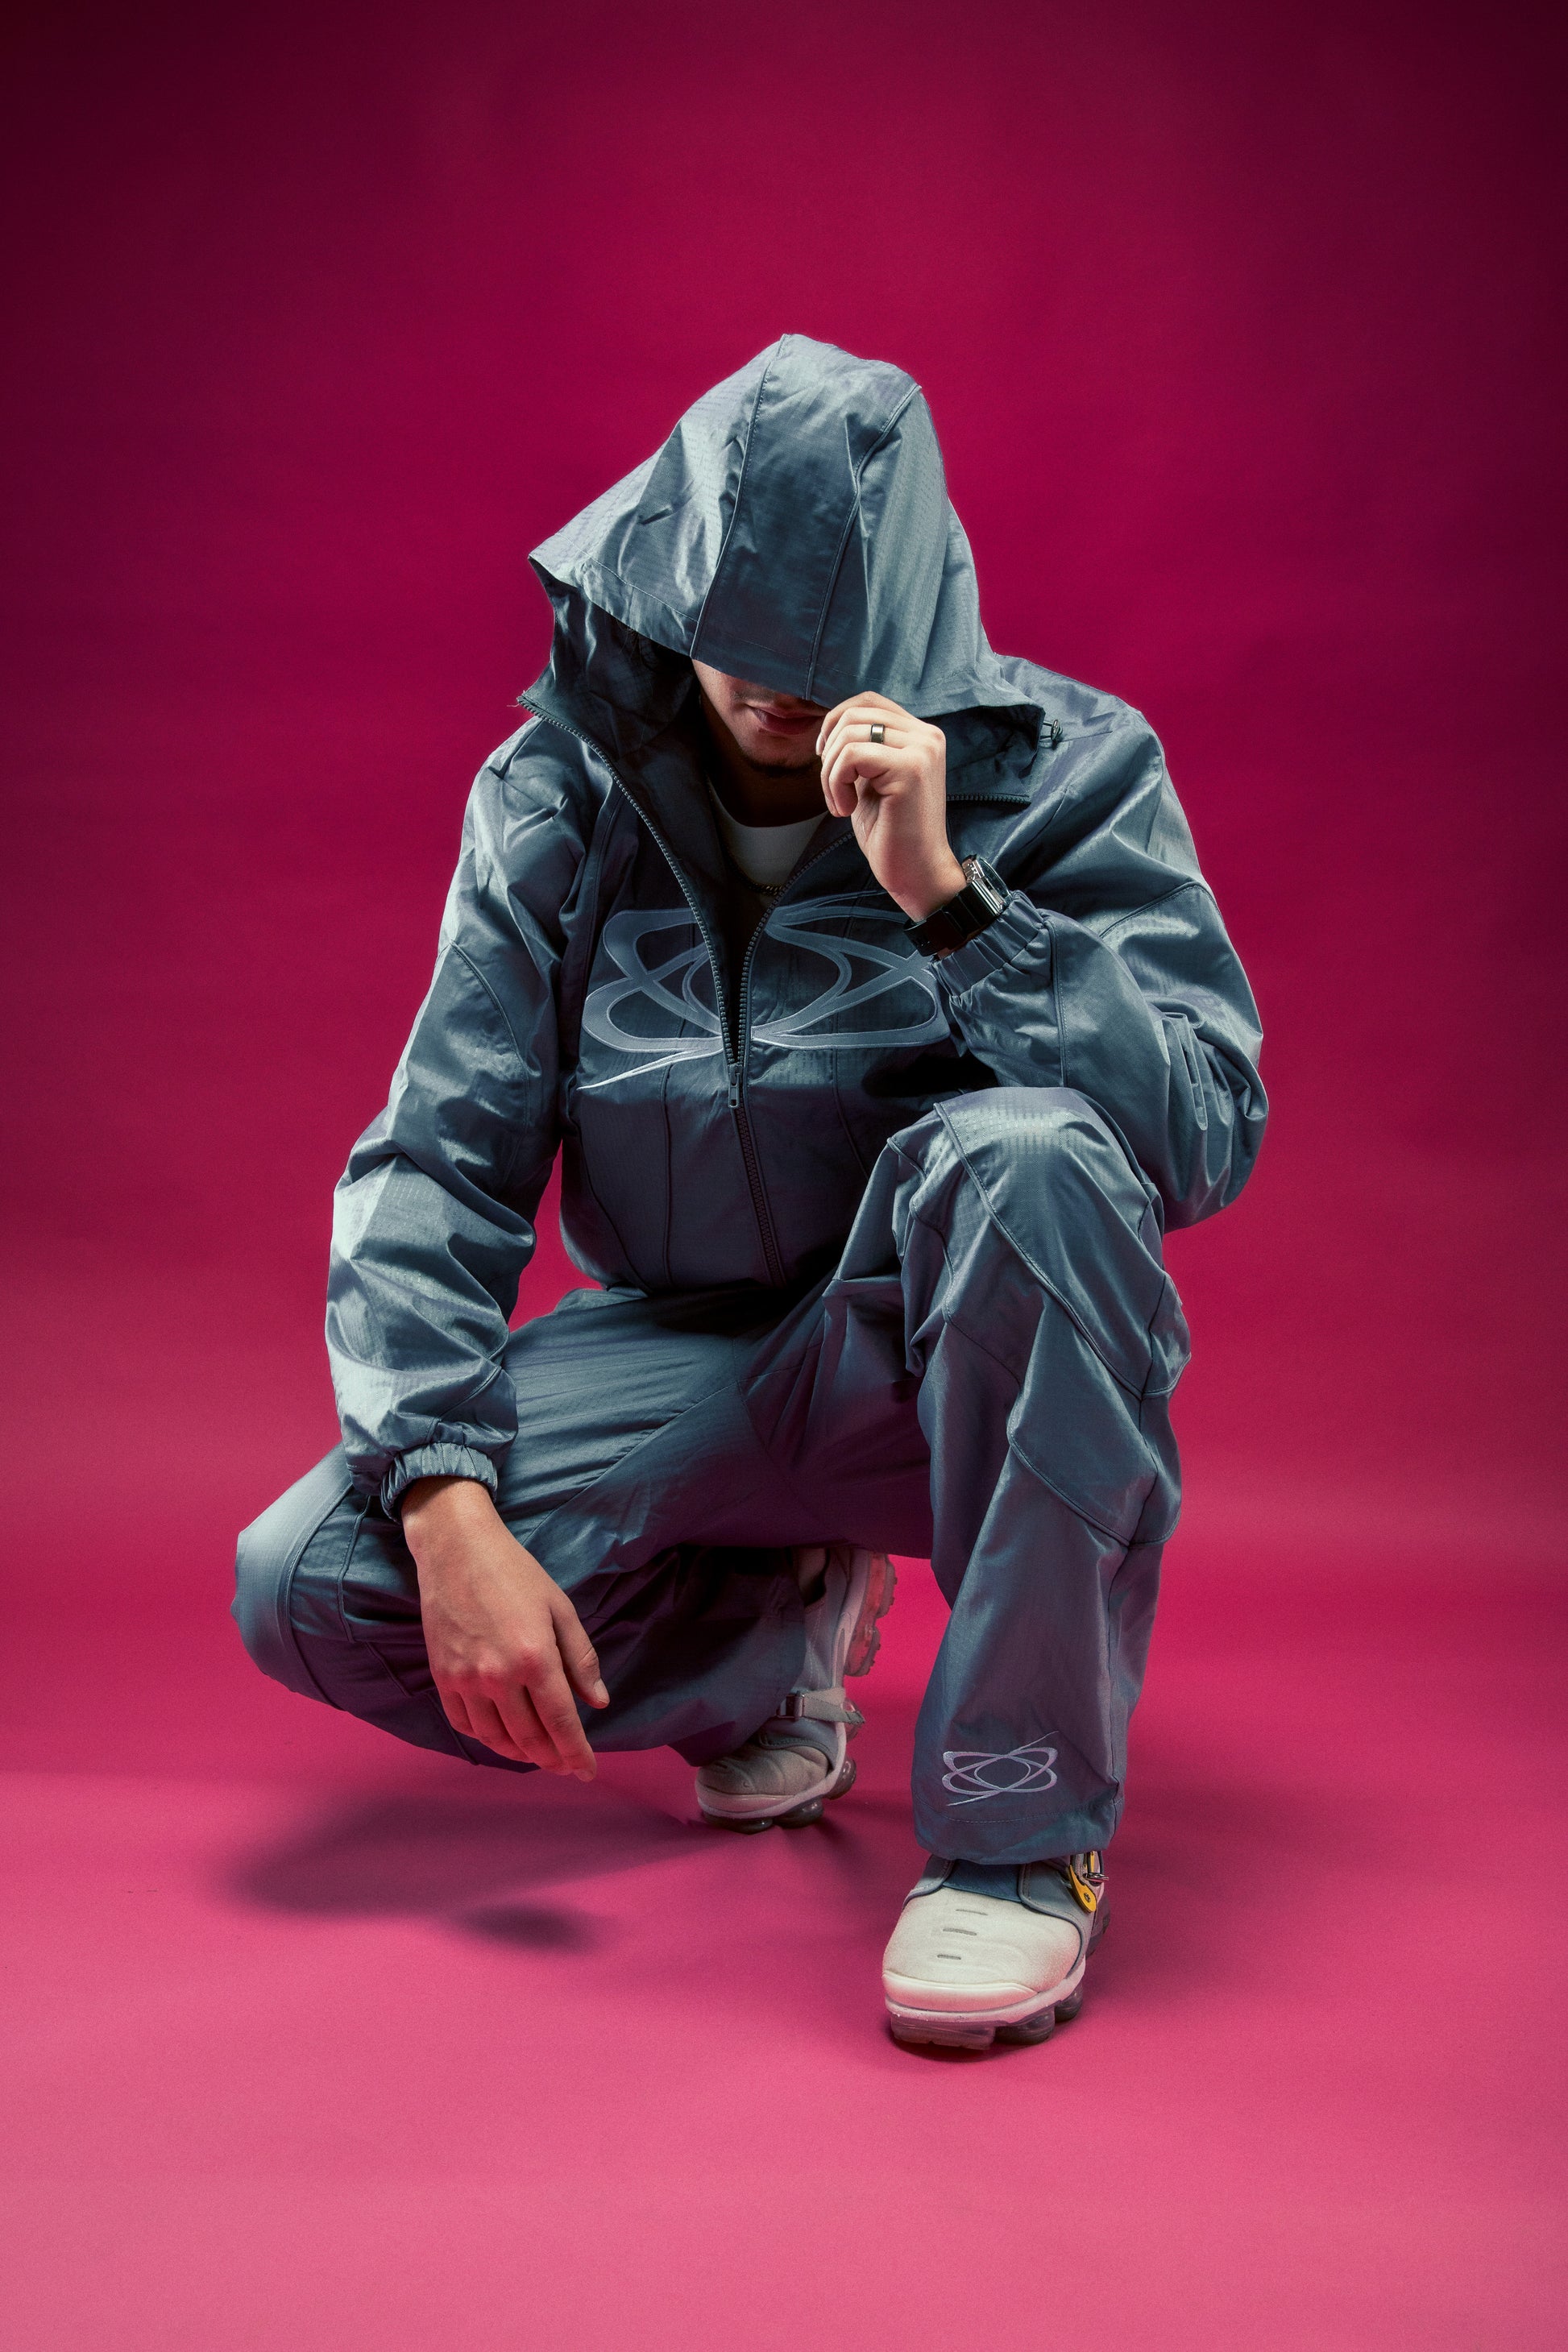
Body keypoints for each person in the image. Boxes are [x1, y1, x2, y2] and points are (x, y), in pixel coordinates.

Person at [234, 334, 1265, 2051]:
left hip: (946, 1367)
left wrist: (953, 902)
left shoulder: (1072, 765)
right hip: (685, 1356)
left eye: (824, 648)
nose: (778, 690)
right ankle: (766, 1640)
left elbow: (1201, 1134)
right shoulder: (555, 793)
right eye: (740, 641)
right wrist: (441, 1497)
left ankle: (1019, 1843)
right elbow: (437, 1153)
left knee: (1022, 1153)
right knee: (312, 1578)